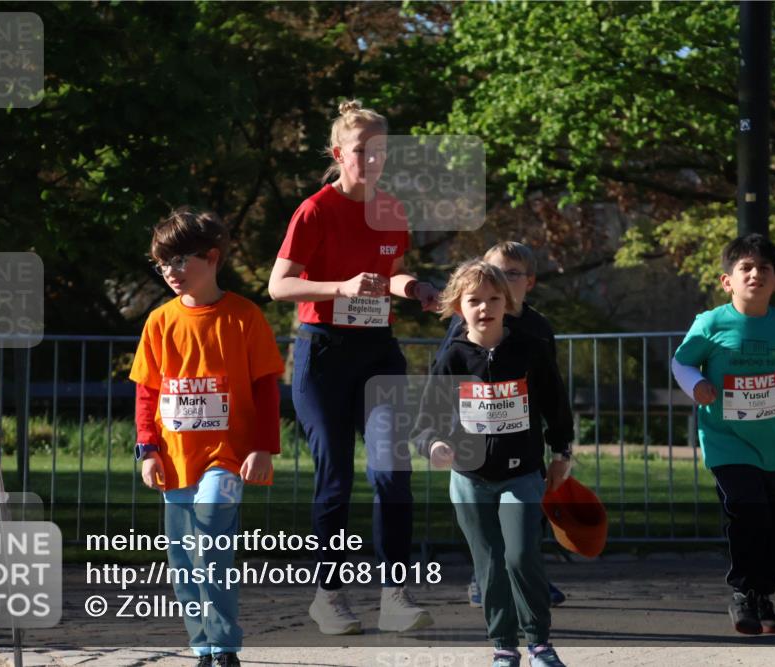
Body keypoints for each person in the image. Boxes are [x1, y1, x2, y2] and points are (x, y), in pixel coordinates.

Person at [268, 99, 440, 635]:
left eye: (381, 151)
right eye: (362, 150)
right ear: (339, 153)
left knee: (392, 471)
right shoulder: (315, 210)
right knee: (336, 476)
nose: (372, 159)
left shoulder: (391, 210)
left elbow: (392, 274)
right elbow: (279, 285)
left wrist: (416, 288)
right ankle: (329, 596)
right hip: (323, 354)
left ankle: (395, 595)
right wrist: (340, 287)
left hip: (377, 351)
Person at [131, 206, 285, 666]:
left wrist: (262, 447)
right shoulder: (159, 321)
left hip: (227, 458)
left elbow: (267, 389)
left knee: (212, 546)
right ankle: (202, 646)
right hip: (175, 459)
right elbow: (146, 392)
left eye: (180, 260)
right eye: (162, 264)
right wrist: (147, 449)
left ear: (212, 257)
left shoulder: (244, 316)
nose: (170, 272)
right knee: (183, 558)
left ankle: (224, 647)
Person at [672, 233, 775, 635]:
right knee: (748, 512)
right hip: (726, 441)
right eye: (745, 267)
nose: (755, 274)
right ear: (726, 280)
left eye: (764, 268)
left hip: (773, 447)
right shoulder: (710, 323)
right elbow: (681, 362)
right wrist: (696, 384)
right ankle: (742, 593)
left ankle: (763, 596)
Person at [417, 259, 574, 667]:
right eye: (474, 300)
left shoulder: (530, 350)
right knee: (488, 564)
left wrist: (562, 453)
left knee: (521, 556)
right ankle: (504, 645)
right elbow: (426, 420)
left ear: (508, 303)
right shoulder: (452, 357)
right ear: (458, 307)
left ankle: (539, 643)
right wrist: (434, 445)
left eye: (493, 299)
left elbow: (556, 406)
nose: (484, 307)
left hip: (521, 475)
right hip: (469, 479)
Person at [434, 241, 567, 608]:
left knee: (524, 524)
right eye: (494, 273)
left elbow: (552, 390)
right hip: (474, 454)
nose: (498, 285)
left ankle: (529, 577)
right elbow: (443, 382)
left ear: (528, 282)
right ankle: (485, 580)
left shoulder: (537, 331)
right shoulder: (462, 332)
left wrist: (561, 448)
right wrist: (440, 438)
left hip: (524, 446)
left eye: (510, 275)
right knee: (485, 532)